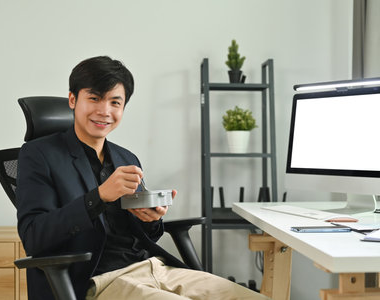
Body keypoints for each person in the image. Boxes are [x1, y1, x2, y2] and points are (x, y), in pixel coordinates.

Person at [16, 56, 269, 300]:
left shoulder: (126, 158)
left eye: (115, 102)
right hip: (98, 280)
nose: (104, 111)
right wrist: (99, 196)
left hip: (153, 268)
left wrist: (151, 218)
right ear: (73, 99)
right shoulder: (39, 155)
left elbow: (143, 234)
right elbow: (34, 237)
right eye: (94, 98)